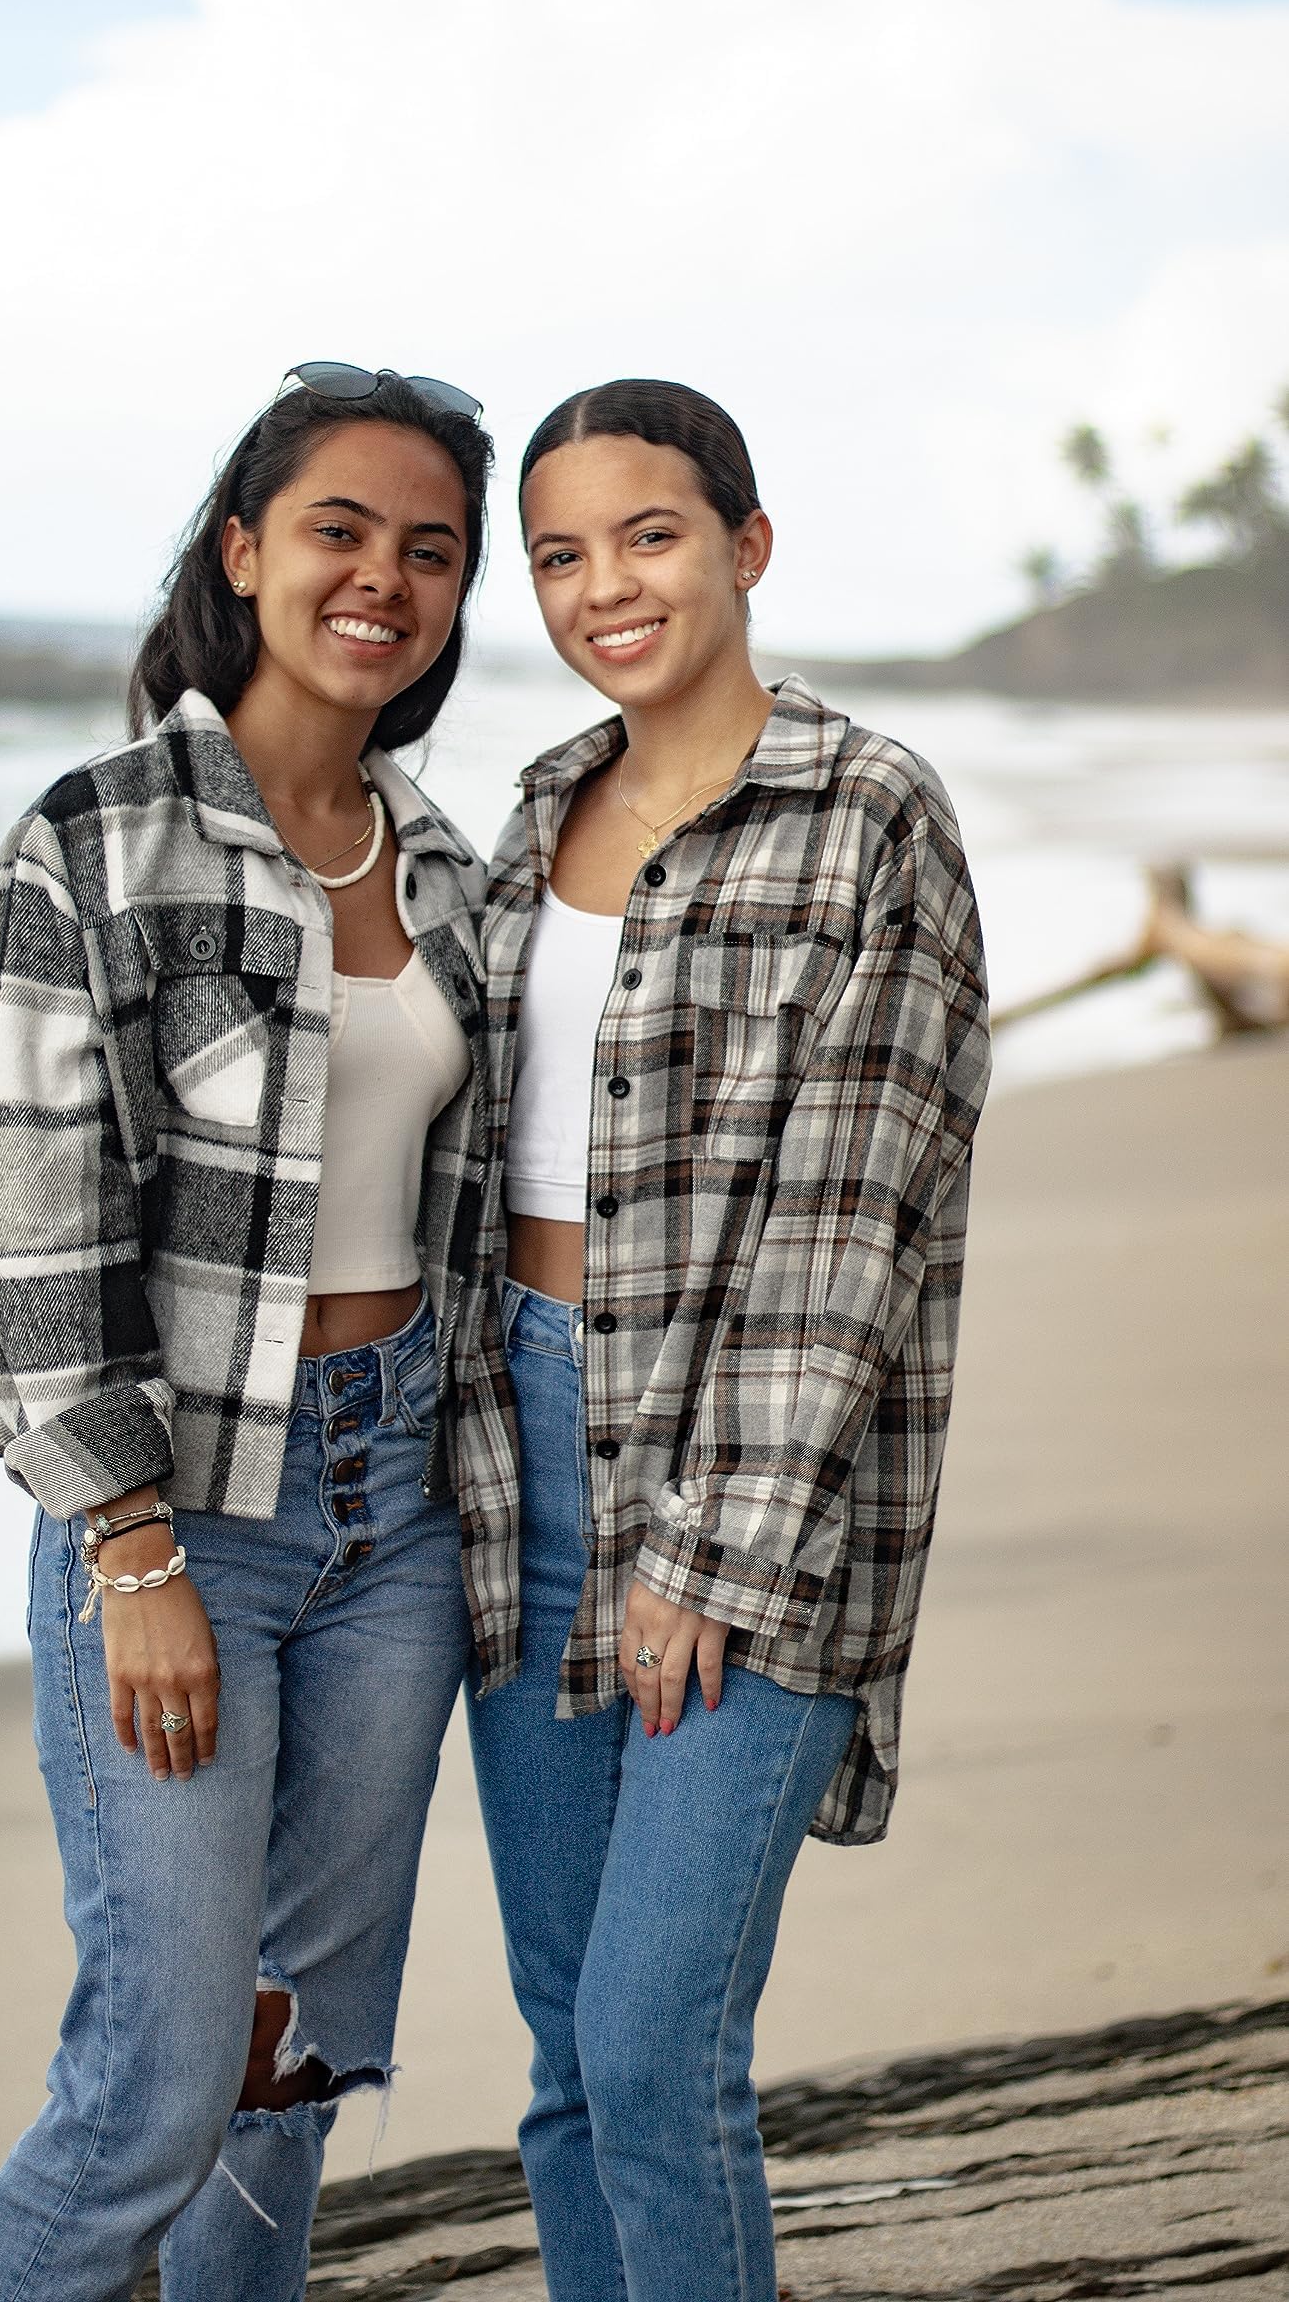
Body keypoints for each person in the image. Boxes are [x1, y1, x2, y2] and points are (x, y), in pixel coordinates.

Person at [0, 364, 516, 2302]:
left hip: (401, 1513)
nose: (384, 577)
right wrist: (127, 1545)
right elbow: (31, 1230)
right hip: (185, 1508)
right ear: (244, 549)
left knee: (283, 2071)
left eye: (429, 549)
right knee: (152, 2083)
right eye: (341, 529)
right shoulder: (93, 839)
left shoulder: (444, 865)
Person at [459, 378, 991, 2302]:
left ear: (747, 547)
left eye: (650, 535)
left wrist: (716, 1549)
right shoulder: (531, 816)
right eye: (560, 555)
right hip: (514, 1449)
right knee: (561, 2058)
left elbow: (851, 1225)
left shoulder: (868, 814)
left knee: (650, 2041)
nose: (607, 586)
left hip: (748, 1472)